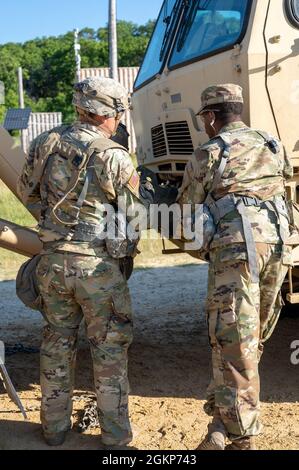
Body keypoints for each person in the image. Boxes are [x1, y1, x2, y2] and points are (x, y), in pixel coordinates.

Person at [17, 77, 150, 449]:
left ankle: (54, 430)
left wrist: (54, 226)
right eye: (119, 112)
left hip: (52, 265)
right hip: (97, 269)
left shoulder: (45, 142)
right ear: (107, 113)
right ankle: (115, 437)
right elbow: (136, 216)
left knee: (56, 345)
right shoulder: (113, 154)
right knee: (108, 352)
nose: (120, 119)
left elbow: (27, 192)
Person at [178, 84, 293, 450]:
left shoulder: (209, 152)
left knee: (233, 340)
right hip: (280, 246)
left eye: (204, 119)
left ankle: (241, 434)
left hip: (237, 250)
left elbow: (185, 213)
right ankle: (224, 417)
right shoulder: (272, 142)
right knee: (252, 335)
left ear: (210, 116)